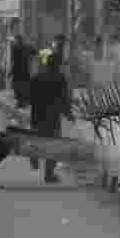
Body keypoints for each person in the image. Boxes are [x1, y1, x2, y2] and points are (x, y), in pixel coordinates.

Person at [29, 45, 75, 183]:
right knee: (53, 147)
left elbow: (30, 97)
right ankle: (48, 174)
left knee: (37, 138)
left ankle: (34, 155)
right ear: (58, 65)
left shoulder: (37, 77)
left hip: (37, 115)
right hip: (52, 116)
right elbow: (63, 98)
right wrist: (68, 114)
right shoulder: (60, 78)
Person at [11, 35, 33, 109]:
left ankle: (21, 102)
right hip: (25, 70)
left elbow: (13, 60)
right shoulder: (27, 47)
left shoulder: (15, 48)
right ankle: (24, 102)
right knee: (24, 86)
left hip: (17, 70)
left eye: (15, 40)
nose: (14, 41)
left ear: (18, 40)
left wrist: (11, 71)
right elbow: (34, 52)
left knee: (17, 87)